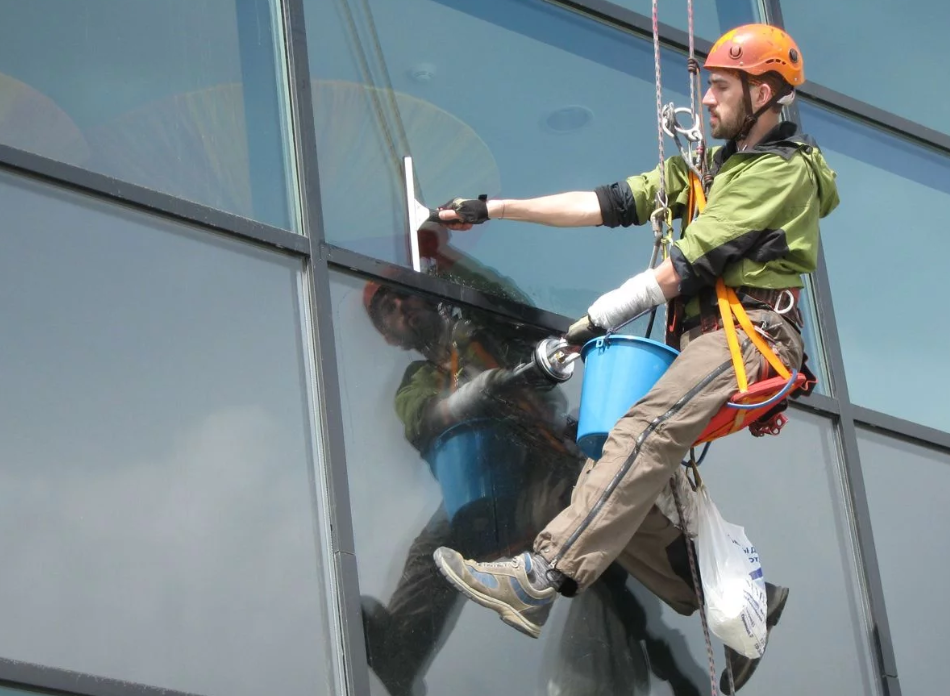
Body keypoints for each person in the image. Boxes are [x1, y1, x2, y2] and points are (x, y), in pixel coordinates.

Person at [430, 24, 839, 693]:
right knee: (617, 467)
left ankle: (540, 577)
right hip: (711, 344)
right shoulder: (707, 170)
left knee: (643, 432)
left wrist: (599, 317)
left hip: (755, 336)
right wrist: (495, 207)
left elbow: (686, 266)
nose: (705, 100)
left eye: (720, 86)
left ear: (763, 93)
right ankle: (742, 602)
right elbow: (606, 203)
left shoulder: (780, 175)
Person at [360, 243, 707, 696]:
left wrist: (444, 257)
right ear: (388, 336)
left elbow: (502, 299)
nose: (402, 307)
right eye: (388, 307)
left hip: (543, 466)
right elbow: (424, 418)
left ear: (427, 295)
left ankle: (681, 579)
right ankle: (398, 654)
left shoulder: (482, 334)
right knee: (430, 553)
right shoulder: (419, 382)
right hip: (485, 487)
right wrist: (477, 393)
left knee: (590, 517)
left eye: (405, 294)